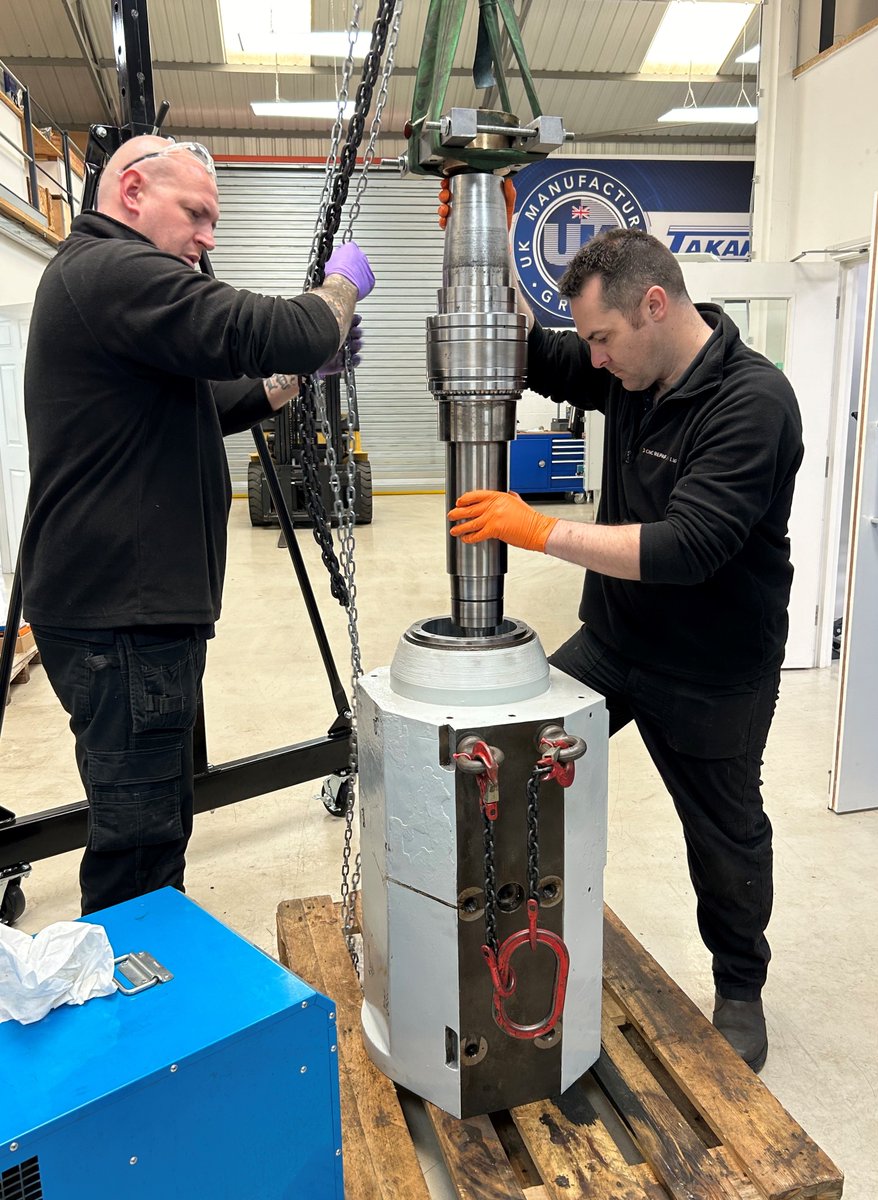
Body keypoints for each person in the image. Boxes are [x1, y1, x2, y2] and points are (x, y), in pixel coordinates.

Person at [449, 228, 803, 1072]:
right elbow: (536, 352)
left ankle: (740, 986)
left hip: (713, 668)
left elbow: (688, 547)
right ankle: (500, 933)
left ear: (654, 306)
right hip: (615, 643)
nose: (596, 360)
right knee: (508, 757)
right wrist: (490, 241)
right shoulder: (630, 368)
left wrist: (538, 530)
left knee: (723, 835)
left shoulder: (753, 401)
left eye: (603, 338)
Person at [20, 135, 375, 917]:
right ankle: (136, 977)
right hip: (123, 617)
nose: (208, 238)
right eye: (197, 214)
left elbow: (207, 403)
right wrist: (338, 291)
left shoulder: (104, 285)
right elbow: (279, 326)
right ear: (133, 191)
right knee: (140, 850)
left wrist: (295, 378)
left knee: (153, 819)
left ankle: (152, 966)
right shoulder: (112, 269)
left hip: (128, 614)